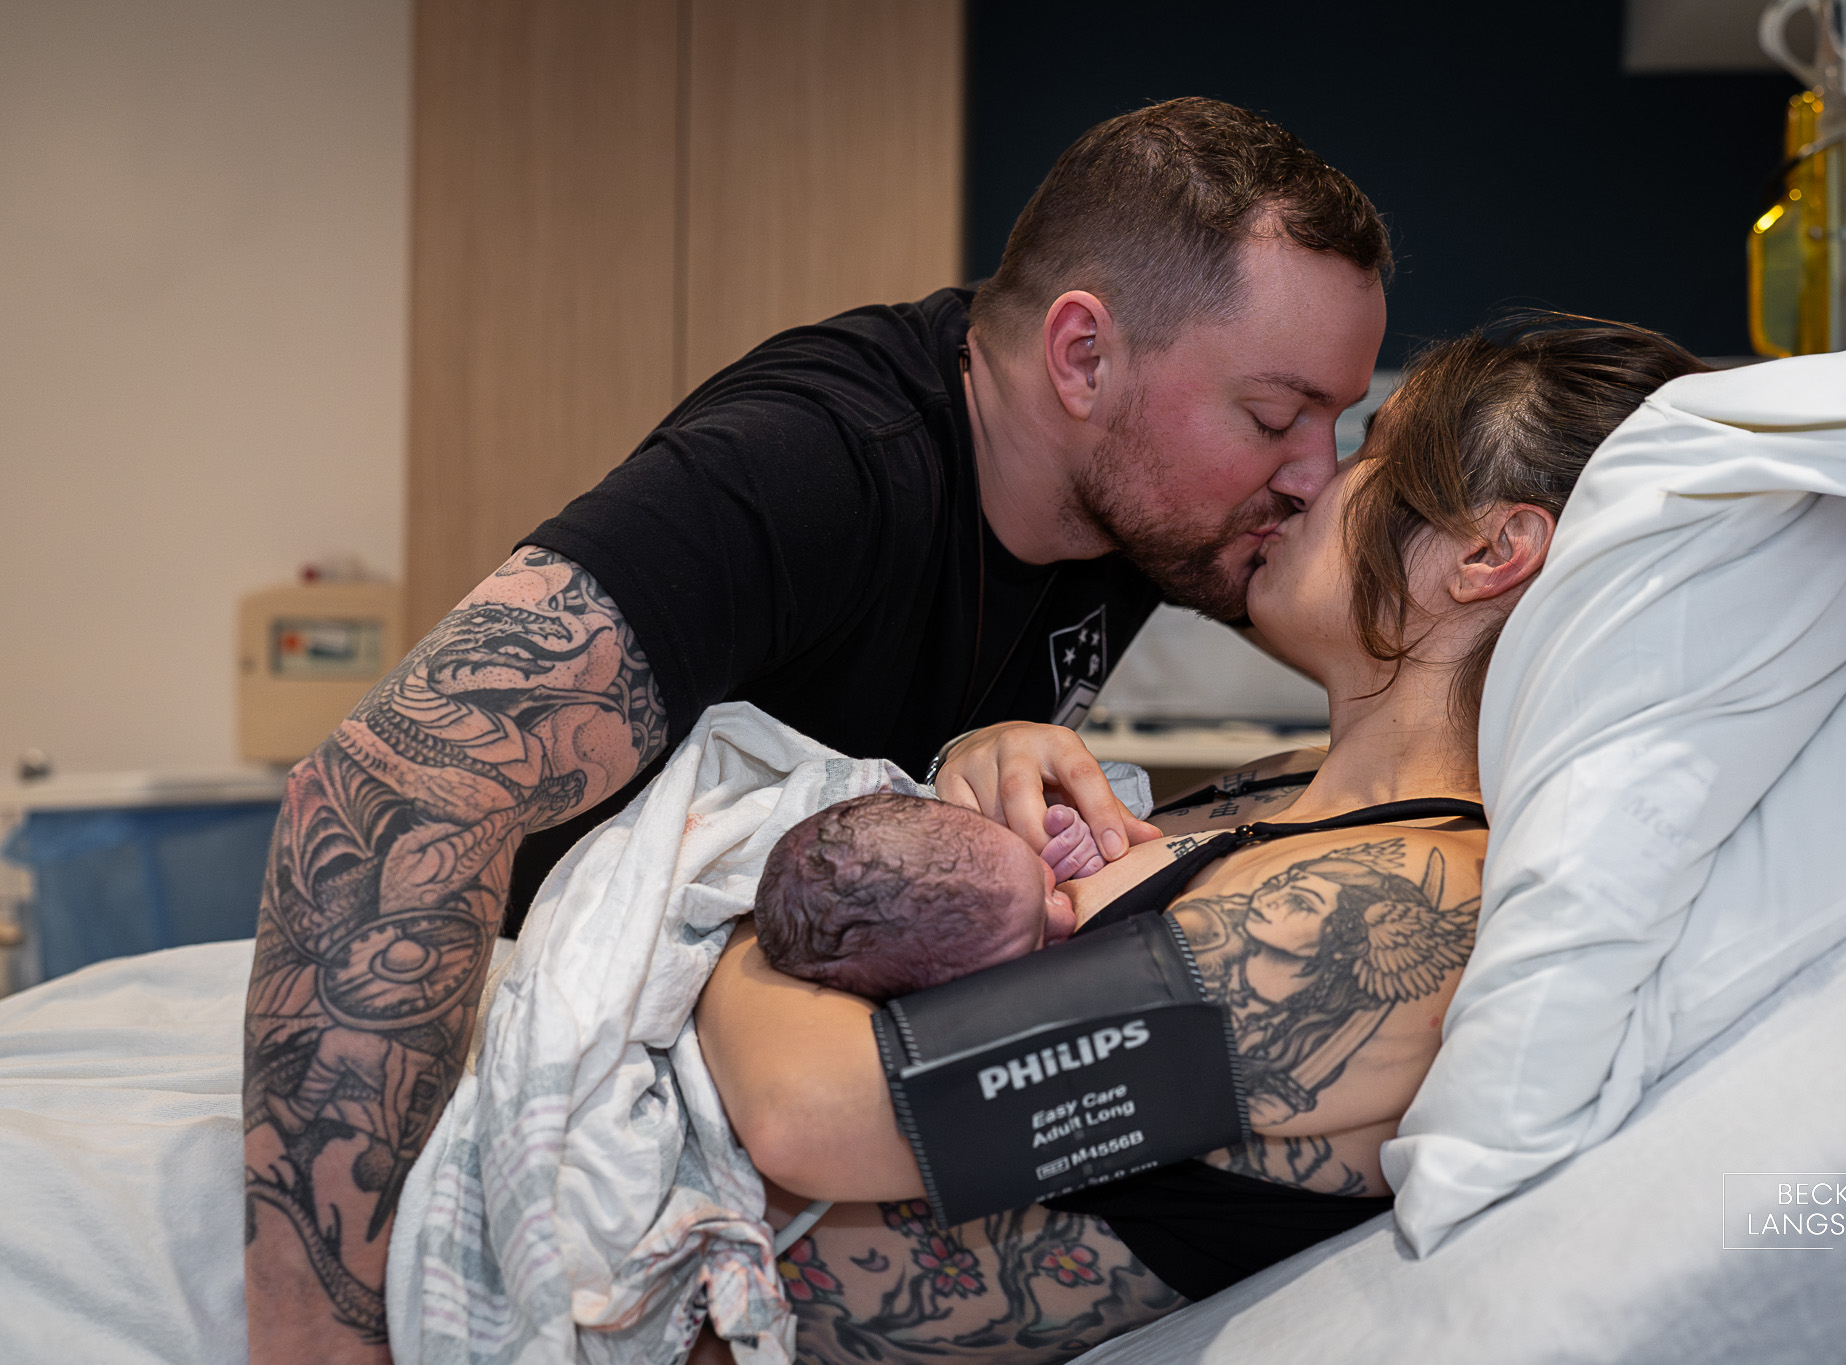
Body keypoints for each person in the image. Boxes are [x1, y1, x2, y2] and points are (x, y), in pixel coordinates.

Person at [241, 97, 1390, 1359]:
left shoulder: (1131, 514)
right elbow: (392, 786)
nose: (1309, 473)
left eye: (1335, 427)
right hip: (552, 1059)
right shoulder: (823, 464)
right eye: (1276, 417)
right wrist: (317, 1343)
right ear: (1081, 358)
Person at [694, 317, 1711, 1364]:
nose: (1305, 483)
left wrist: (745, 897)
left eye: (1368, 451)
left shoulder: (1399, 910)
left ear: (1487, 552)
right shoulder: (1295, 792)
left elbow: (805, 1112)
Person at [754, 795, 1099, 998]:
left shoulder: (993, 851)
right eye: (1037, 942)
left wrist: (1068, 841)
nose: (1067, 915)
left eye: (1044, 880)